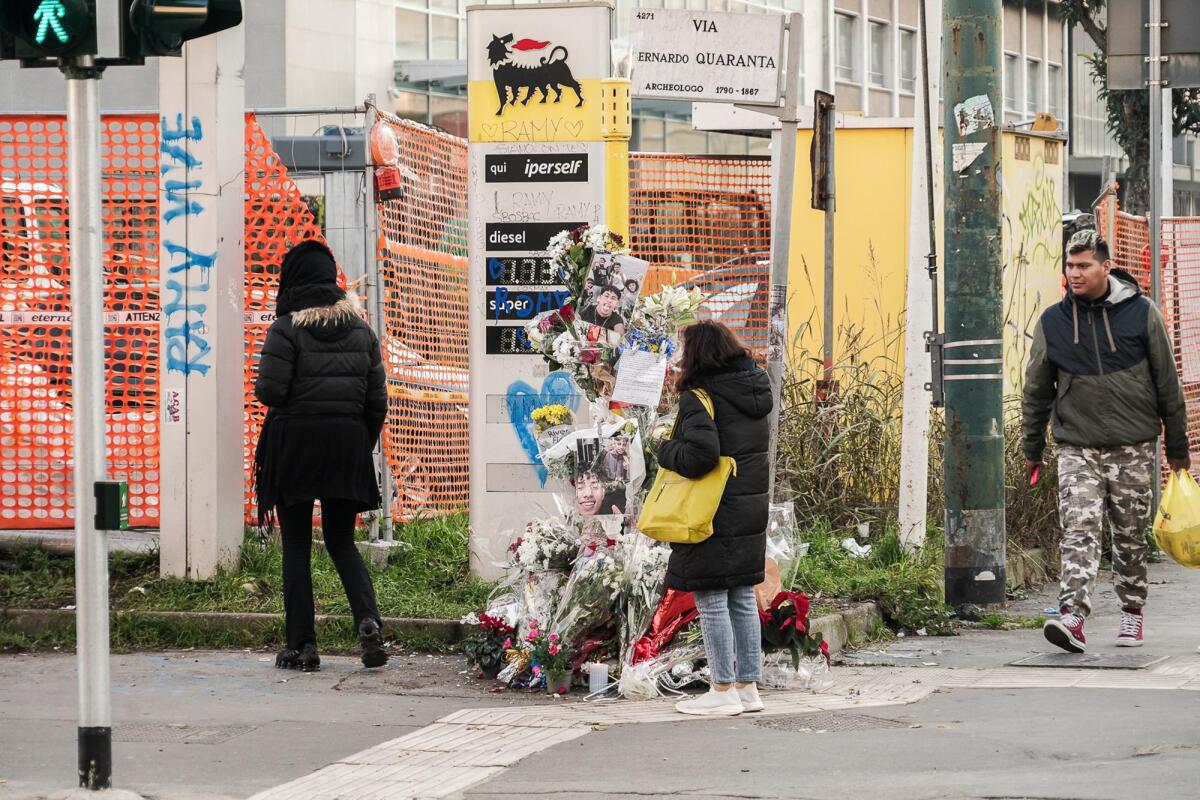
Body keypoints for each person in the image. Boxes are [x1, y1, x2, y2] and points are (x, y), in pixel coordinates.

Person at [1023, 229, 1190, 653]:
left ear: (1105, 267)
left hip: (1133, 444)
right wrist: (1032, 448)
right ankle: (1073, 615)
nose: (1074, 273)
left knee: (1129, 533)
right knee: (1078, 527)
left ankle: (1132, 611)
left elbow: (1168, 384)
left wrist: (1177, 451)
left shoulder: (1141, 313)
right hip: (1077, 444)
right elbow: (1037, 389)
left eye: (1083, 266)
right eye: (1070, 265)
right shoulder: (1053, 323)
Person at [254, 240, 390, 672]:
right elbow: (377, 402)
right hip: (347, 444)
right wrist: (358, 441)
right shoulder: (362, 331)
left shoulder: (285, 329)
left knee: (295, 545)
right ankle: (368, 620)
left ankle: (303, 646)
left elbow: (270, 391)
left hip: (295, 444)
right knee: (341, 541)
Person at [657, 320, 772, 716]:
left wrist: (665, 450)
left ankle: (721, 689)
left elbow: (700, 457)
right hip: (750, 508)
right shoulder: (755, 388)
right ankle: (748, 688)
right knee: (741, 596)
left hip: (712, 511)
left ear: (698, 354)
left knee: (710, 599)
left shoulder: (699, 396)